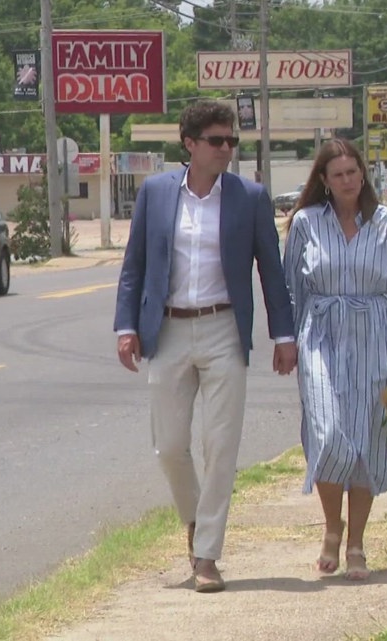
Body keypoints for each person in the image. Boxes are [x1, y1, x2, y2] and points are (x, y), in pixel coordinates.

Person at [113, 100, 297, 593]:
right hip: (168, 330)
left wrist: (284, 335)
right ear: (189, 144)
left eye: (232, 141)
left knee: (221, 445)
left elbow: (271, 271)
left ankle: (207, 555)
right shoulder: (154, 193)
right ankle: (196, 520)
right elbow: (135, 265)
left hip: (222, 329)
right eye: (217, 141)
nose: (226, 149)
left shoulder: (249, 198)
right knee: (170, 445)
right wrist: (125, 327)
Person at [283, 138, 387, 581]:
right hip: (322, 334)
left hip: (377, 337)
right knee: (327, 432)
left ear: (363, 175)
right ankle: (332, 525)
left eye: (353, 171)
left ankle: (357, 542)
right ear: (324, 181)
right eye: (338, 174)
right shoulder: (306, 223)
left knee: (369, 437)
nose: (348, 180)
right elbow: (291, 288)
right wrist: (285, 339)